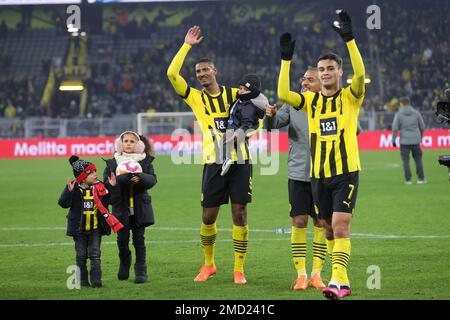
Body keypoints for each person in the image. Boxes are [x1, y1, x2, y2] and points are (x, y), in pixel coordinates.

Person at [277, 10, 365, 299]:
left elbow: (361, 75)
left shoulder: (350, 97)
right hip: (318, 175)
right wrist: (286, 60)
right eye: (322, 69)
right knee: (327, 230)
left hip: (345, 172)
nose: (325, 72)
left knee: (340, 226)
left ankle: (339, 282)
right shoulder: (311, 101)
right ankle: (341, 278)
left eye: (330, 68)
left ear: (340, 72)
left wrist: (349, 39)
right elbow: (283, 93)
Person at [167, 26, 263, 285]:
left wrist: (246, 134)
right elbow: (172, 74)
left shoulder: (236, 94)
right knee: (208, 216)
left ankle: (238, 269)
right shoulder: (196, 99)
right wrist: (186, 46)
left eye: (205, 70)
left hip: (240, 161)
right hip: (212, 162)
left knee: (239, 213)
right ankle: (209, 264)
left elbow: (259, 116)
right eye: (197, 72)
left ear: (215, 71)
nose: (201, 75)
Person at [264, 67, 327, 291]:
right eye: (304, 79)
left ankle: (317, 274)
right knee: (299, 221)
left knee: (321, 223)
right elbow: (273, 126)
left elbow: (353, 129)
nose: (304, 83)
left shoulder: (330, 103)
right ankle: (301, 275)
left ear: (321, 83)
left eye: (310, 80)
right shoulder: (292, 103)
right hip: (298, 173)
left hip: (323, 173)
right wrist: (269, 116)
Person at [103, 131, 157, 284]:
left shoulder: (145, 162)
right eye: (125, 141)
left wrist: (140, 178)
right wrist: (115, 183)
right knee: (122, 240)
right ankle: (124, 264)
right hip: (121, 208)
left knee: (139, 240)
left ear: (138, 145)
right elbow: (105, 185)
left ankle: (141, 270)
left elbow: (152, 180)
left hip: (140, 208)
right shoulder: (112, 163)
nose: (128, 143)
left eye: (132, 141)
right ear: (120, 144)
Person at [58, 156, 114, 288]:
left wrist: (111, 187)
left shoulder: (100, 187)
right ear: (82, 177)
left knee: (95, 254)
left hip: (95, 229)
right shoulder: (75, 189)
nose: (96, 174)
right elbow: (63, 203)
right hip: (79, 230)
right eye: (92, 173)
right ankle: (82, 281)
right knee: (81, 255)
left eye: (95, 171)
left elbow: (110, 201)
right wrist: (68, 191)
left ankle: (96, 281)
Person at [221, 73, 266, 176]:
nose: (241, 91)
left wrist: (241, 132)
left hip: (236, 129)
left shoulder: (247, 105)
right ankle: (227, 159)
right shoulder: (240, 101)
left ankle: (227, 159)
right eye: (240, 88)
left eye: (245, 89)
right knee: (225, 141)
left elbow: (248, 122)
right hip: (234, 127)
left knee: (225, 141)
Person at [391, 96, 426, 184]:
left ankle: (408, 179)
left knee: (405, 161)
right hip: (415, 140)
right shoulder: (416, 113)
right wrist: (420, 137)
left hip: (404, 141)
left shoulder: (399, 114)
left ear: (402, 104)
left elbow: (395, 128)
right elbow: (422, 126)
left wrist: (393, 140)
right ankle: (421, 179)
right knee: (418, 160)